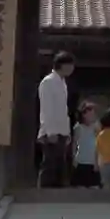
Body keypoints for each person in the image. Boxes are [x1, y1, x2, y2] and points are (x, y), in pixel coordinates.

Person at [37, 51, 74, 188]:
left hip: (61, 130)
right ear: (62, 65)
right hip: (51, 130)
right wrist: (50, 131)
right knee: (49, 165)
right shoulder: (48, 82)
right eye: (70, 65)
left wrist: (67, 132)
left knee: (60, 166)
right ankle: (42, 193)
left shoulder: (63, 83)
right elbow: (46, 108)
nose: (72, 69)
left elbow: (63, 110)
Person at [71, 101, 100, 188]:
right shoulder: (78, 127)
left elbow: (98, 145)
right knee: (80, 188)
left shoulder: (96, 127)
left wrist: (97, 161)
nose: (92, 115)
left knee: (94, 188)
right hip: (81, 161)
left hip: (92, 162)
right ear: (83, 114)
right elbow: (74, 144)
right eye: (89, 113)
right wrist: (74, 158)